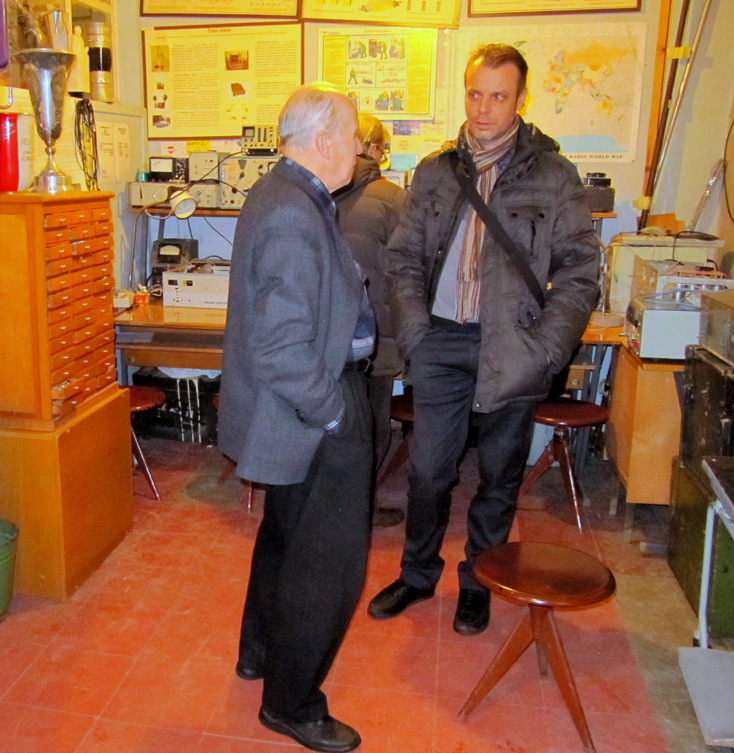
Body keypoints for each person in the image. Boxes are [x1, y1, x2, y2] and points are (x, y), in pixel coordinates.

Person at [368, 44, 599, 635]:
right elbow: (403, 259)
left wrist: (546, 350)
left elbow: (579, 272)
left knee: (498, 476)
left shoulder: (554, 176)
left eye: (498, 96)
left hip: (514, 347)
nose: (483, 108)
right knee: (427, 472)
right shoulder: (436, 170)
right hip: (441, 342)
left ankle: (479, 581)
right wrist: (416, 334)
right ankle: (418, 575)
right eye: (475, 94)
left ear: (521, 99)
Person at [217, 85, 373, 753]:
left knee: (284, 537)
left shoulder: (283, 191)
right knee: (326, 565)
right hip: (313, 406)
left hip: (297, 408)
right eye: (355, 136)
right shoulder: (292, 212)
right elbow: (281, 346)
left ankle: (259, 652)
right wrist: (334, 413)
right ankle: (291, 703)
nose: (361, 147)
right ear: (326, 140)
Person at [334, 113, 408, 528]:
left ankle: (334, 504)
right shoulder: (394, 199)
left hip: (330, 333)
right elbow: (408, 272)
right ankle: (362, 508)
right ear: (375, 148)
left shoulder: (320, 191)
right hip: (375, 334)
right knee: (376, 424)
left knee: (337, 421)